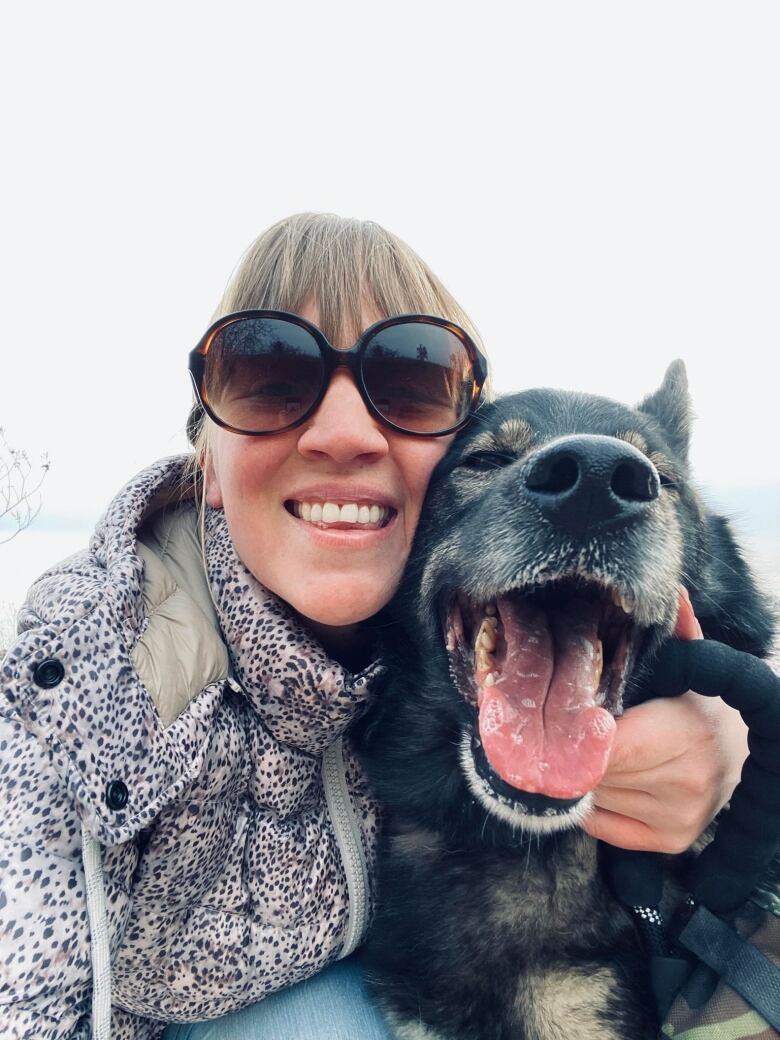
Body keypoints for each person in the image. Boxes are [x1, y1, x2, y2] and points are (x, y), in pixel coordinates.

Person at [0, 213, 750, 1040]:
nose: (344, 431)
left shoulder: (395, 663)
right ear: (204, 463)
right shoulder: (70, 702)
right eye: (269, 375)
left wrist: (736, 757)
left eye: (409, 380)